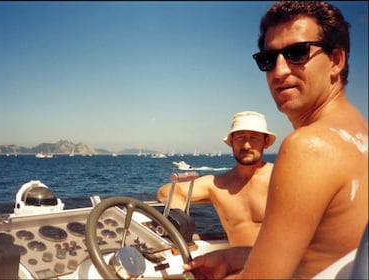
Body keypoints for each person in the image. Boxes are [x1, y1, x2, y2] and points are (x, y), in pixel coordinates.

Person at [183, 1, 368, 279]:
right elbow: (324, 253)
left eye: (297, 53)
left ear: (336, 61)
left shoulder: (308, 146)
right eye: (268, 59)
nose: (279, 72)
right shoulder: (358, 136)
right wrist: (233, 256)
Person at [157, 110, 276, 247]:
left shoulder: (279, 178)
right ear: (231, 142)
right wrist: (180, 216)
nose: (246, 145)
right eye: (240, 138)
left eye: (254, 138)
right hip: (238, 266)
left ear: (266, 142)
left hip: (281, 267)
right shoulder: (217, 184)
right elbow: (165, 191)